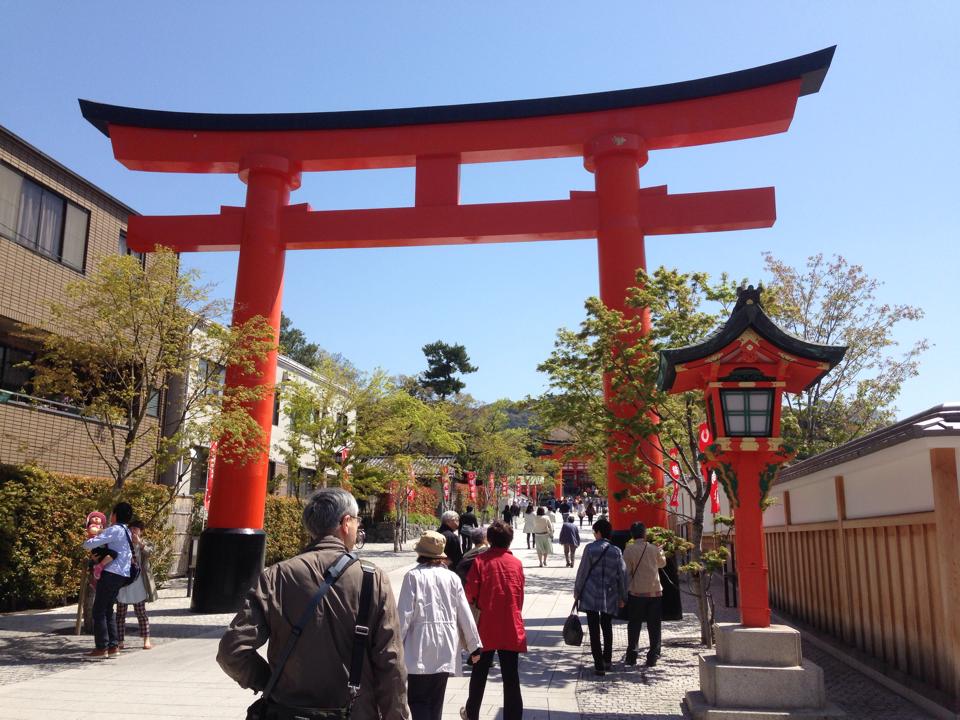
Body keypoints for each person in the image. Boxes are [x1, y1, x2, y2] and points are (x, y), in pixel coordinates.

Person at [218, 488, 409, 720]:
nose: (358, 526)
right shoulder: (372, 578)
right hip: (354, 711)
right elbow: (390, 661)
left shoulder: (277, 576)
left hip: (288, 710)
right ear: (345, 523)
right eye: (357, 520)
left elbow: (231, 650)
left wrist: (270, 681)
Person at [398, 531, 482, 720]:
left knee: (418, 700)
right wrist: (474, 645)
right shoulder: (452, 578)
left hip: (419, 646)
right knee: (436, 701)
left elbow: (403, 615)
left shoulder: (413, 577)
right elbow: (465, 613)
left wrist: (394, 646)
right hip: (446, 645)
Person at [461, 521, 526, 720]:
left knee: (479, 673)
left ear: (489, 539)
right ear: (510, 540)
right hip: (510, 623)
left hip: (486, 624)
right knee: (511, 676)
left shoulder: (481, 561)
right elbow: (520, 595)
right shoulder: (516, 563)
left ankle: (472, 713)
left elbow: (470, 592)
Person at [82, 501, 135, 658]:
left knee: (98, 610)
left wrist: (88, 539)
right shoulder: (127, 531)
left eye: (112, 513)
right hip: (122, 574)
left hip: (111, 573)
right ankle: (113, 646)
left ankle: (101, 648)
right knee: (108, 609)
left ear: (115, 515)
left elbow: (89, 544)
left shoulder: (115, 530)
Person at [574, 518, 627, 676]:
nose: (594, 535)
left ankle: (598, 664)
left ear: (598, 532)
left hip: (591, 593)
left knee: (593, 628)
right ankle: (607, 660)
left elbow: (583, 571)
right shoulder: (616, 551)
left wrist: (577, 590)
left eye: (594, 532)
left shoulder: (590, 549)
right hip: (609, 594)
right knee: (607, 626)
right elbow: (622, 575)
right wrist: (623, 596)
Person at [622, 522, 667, 667]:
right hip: (654, 592)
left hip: (637, 592)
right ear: (645, 533)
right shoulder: (653, 548)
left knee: (634, 624)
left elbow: (626, 571)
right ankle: (653, 656)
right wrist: (660, 551)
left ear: (632, 535)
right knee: (654, 626)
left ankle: (632, 655)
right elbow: (662, 564)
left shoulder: (629, 550)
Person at [116, 519, 157, 650]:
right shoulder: (123, 543)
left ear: (141, 531)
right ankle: (120, 641)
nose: (133, 531)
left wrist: (139, 543)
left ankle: (146, 639)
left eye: (136, 529)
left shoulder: (145, 543)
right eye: (131, 528)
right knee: (120, 614)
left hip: (139, 581)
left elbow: (150, 552)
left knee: (141, 612)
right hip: (124, 581)